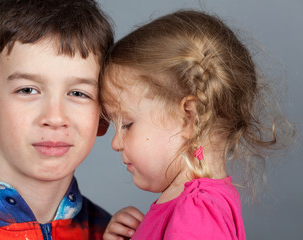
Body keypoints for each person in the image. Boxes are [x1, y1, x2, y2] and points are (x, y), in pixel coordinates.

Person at [100, 10, 294, 240]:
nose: (115, 144)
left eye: (127, 124)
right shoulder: (195, 206)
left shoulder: (197, 213)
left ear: (189, 117)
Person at [0, 0, 114, 239]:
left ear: (104, 114)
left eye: (78, 93)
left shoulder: (107, 231)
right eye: (28, 90)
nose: (55, 118)